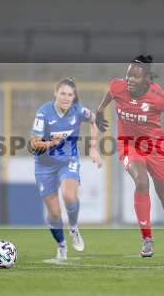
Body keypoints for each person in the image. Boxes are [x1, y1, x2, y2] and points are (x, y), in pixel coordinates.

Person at [95, 55, 164, 257]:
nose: (129, 80)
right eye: (128, 75)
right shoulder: (117, 87)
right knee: (141, 182)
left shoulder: (158, 96)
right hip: (129, 145)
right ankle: (147, 239)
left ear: (146, 78)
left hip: (156, 148)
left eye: (135, 76)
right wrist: (100, 110)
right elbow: (109, 94)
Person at [29, 77, 103, 261]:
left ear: (74, 96)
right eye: (63, 93)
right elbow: (33, 143)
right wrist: (48, 144)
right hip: (44, 166)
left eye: (70, 94)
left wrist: (93, 148)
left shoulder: (79, 110)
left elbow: (94, 121)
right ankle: (61, 245)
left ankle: (74, 227)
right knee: (54, 213)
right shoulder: (43, 113)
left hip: (68, 160)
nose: (66, 97)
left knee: (69, 196)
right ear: (55, 94)